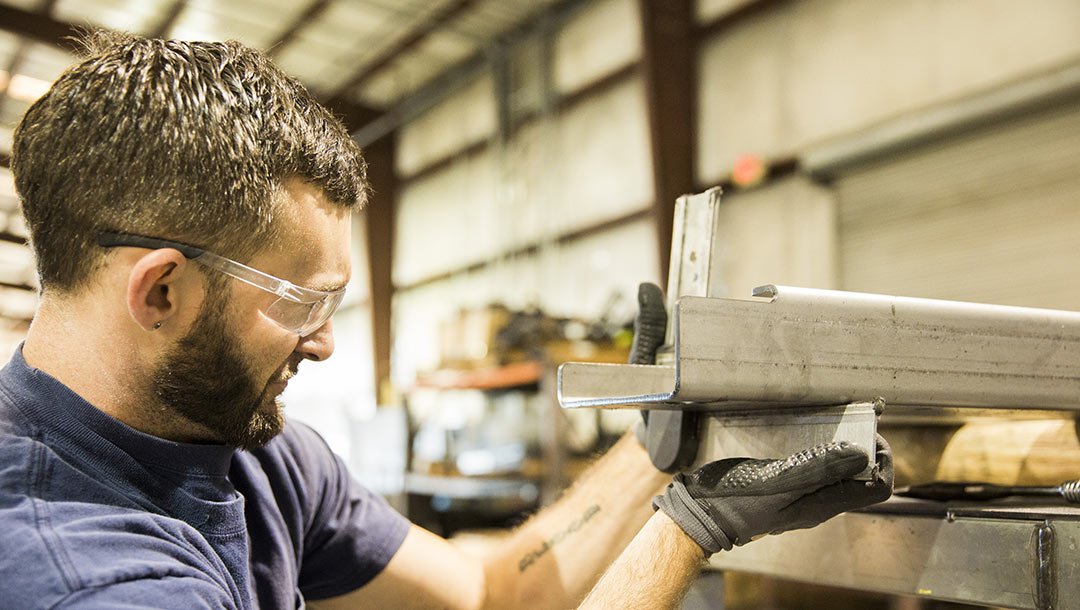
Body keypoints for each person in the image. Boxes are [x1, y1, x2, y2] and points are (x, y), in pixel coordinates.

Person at [0, 32, 892, 609]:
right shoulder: (74, 569)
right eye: (303, 302)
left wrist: (654, 451)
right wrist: (689, 529)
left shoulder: (253, 453)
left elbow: (491, 590)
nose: (325, 342)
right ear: (159, 291)